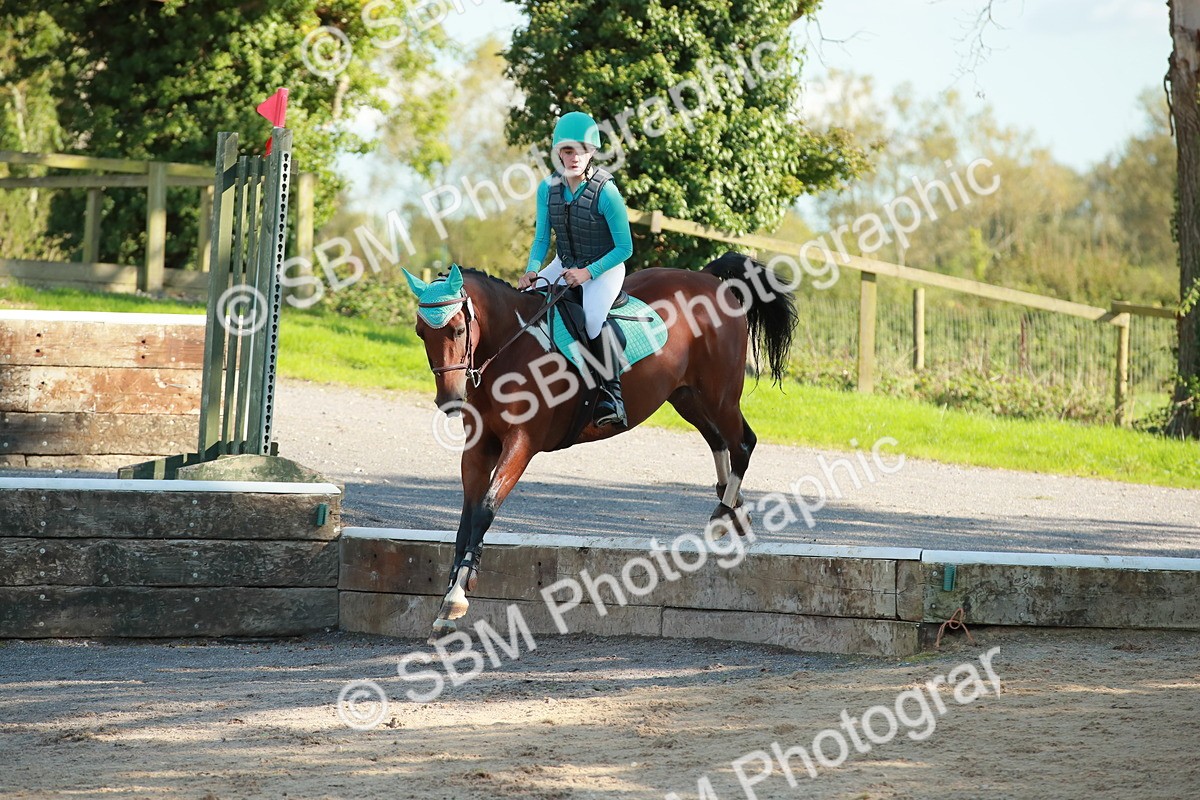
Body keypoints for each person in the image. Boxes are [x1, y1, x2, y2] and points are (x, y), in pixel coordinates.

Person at [518, 111, 634, 427]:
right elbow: (542, 238)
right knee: (529, 302)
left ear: (592, 152)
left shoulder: (606, 191)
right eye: (568, 150)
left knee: (593, 319)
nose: (574, 157)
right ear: (558, 153)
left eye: (582, 150)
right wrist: (532, 270)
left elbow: (625, 248)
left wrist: (587, 274)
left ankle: (613, 398)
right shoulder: (548, 189)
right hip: (564, 263)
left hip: (604, 268)